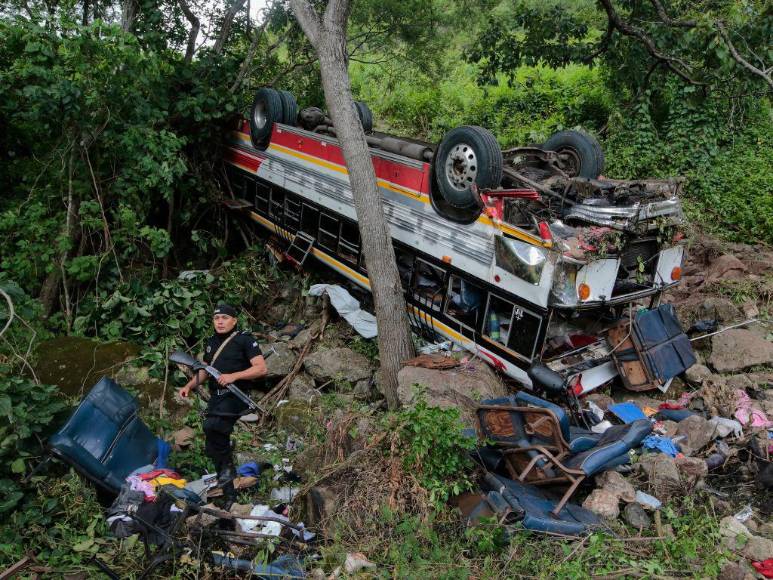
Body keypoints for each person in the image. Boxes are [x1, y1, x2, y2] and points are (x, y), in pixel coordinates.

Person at [178, 303, 267, 506]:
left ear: (234, 321)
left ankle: (229, 480)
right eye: (217, 318)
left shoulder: (245, 340)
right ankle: (229, 491)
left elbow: (261, 369)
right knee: (212, 441)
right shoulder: (211, 342)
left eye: (225, 318)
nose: (220, 321)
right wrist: (189, 386)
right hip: (218, 397)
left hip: (236, 396)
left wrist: (233, 376)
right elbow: (205, 370)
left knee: (213, 427)